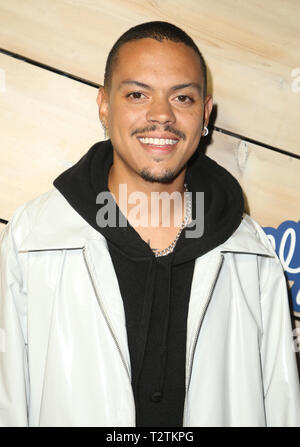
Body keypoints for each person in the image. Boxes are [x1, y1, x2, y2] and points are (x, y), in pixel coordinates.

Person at [0, 21, 299, 428]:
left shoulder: (253, 256)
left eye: (182, 97)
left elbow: (281, 409)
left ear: (205, 113)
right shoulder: (30, 240)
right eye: (138, 94)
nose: (161, 115)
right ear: (104, 105)